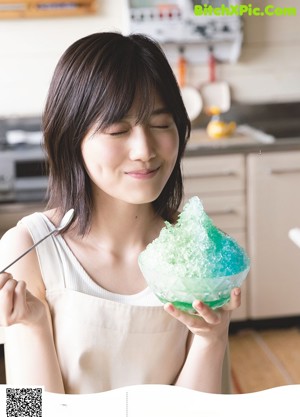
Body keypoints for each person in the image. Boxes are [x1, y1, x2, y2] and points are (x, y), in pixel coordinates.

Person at [0, 32, 241, 394]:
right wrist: (33, 326)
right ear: (71, 138)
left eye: (161, 124)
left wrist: (212, 339)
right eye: (117, 130)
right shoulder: (29, 248)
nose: (144, 150)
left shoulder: (197, 251)